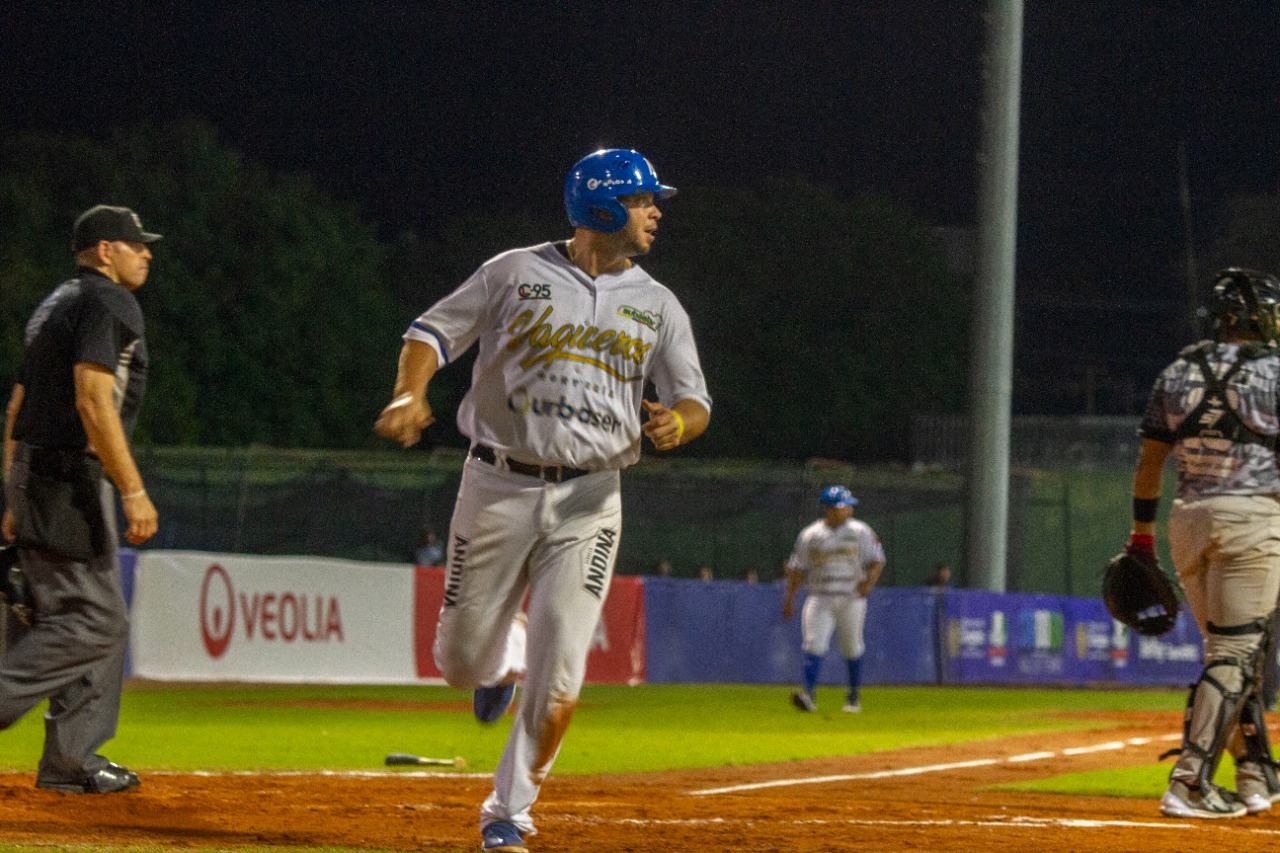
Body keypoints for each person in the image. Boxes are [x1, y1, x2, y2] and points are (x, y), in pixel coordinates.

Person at [374, 148, 710, 852]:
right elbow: (429, 332)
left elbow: (695, 398)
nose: (656, 212)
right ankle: (503, 655)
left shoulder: (658, 304)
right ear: (602, 206)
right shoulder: (513, 272)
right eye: (645, 200)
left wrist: (680, 421)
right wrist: (411, 391)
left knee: (564, 666)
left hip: (591, 499)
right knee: (460, 662)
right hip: (496, 483)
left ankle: (508, 810)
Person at [0, 205, 161, 793]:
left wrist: (11, 490)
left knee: (96, 619)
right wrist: (133, 489)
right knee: (95, 620)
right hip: (68, 479)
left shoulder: (55, 304)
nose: (146, 253)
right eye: (135, 244)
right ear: (103, 251)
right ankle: (69, 758)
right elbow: (93, 400)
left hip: (36, 472)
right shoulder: (109, 301)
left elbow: (17, 405)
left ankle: (72, 763)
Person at [1127, 268, 1280, 819]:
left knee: (1236, 657)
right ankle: (1189, 783)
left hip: (1187, 520)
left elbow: (1150, 461)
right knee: (1236, 655)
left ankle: (1254, 773)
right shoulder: (1276, 372)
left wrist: (1141, 536)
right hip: (1252, 519)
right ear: (1256, 316)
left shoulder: (1177, 369)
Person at [781, 485, 884, 714]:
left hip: (851, 598)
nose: (847, 510)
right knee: (813, 644)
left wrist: (869, 582)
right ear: (828, 509)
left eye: (848, 506)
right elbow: (798, 569)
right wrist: (790, 596)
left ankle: (854, 697)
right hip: (820, 596)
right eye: (842, 507)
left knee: (851, 647)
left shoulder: (860, 531)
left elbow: (877, 560)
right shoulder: (811, 535)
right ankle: (808, 695)